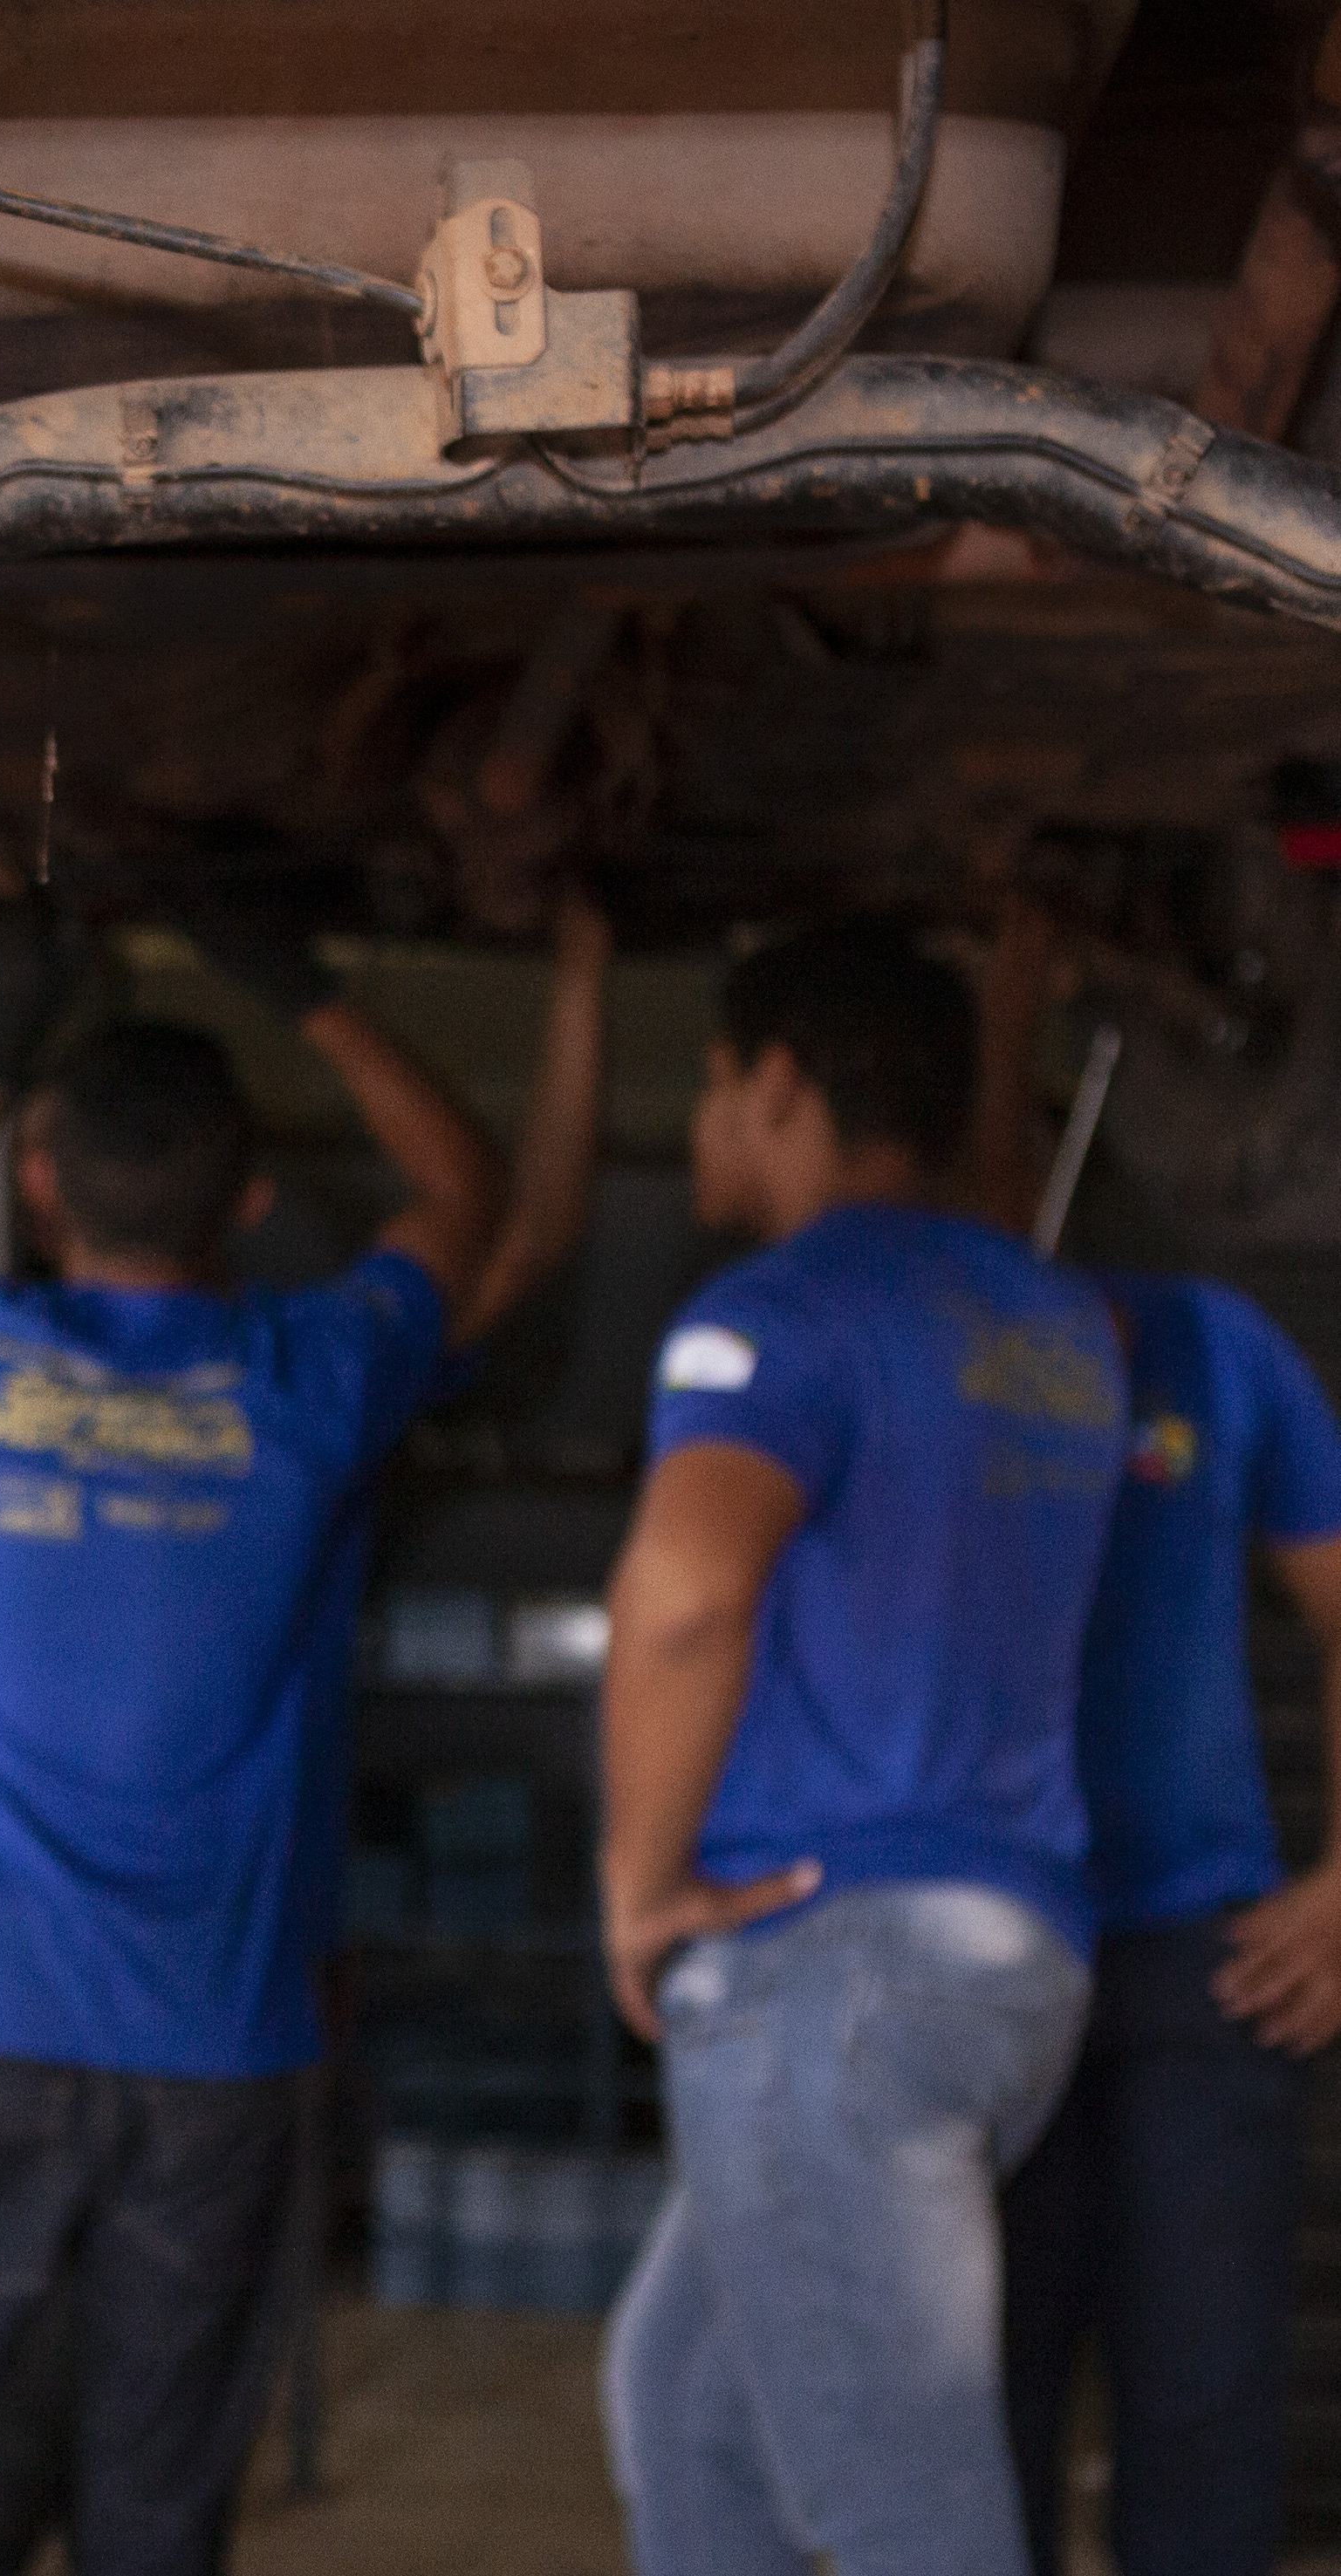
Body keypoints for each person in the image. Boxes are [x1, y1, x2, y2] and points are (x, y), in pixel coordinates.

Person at [0, 890, 612, 2576]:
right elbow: (471, 1197)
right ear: (251, 1199)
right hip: (219, 2066)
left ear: (38, 1187)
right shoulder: (314, 1378)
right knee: (154, 2509)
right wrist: (305, 976)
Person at [599, 919, 1124, 2576]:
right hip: (1007, 1957)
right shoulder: (1052, 1321)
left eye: (708, 1087)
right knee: (684, 2407)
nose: (703, 1126)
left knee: (907, 2524)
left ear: (774, 1084)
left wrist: (641, 1876)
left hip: (833, 1969)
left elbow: (683, 1594)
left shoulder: (782, 1312)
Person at [964, 898, 1341, 2576]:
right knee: (982, 2423)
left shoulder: (1209, 1344)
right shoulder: (896, 1356)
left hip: (1203, 1961)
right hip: (973, 1956)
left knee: (1202, 2425)